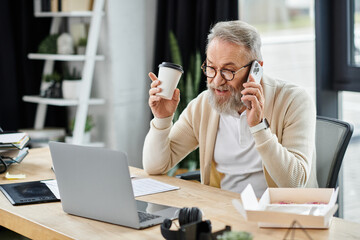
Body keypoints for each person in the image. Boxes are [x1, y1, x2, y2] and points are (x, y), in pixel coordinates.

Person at [143, 20, 318, 197]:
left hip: (279, 215)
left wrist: (258, 127)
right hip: (222, 212)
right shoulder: (204, 105)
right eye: (211, 67)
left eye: (228, 70)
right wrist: (162, 119)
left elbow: (295, 183)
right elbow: (155, 166)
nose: (217, 81)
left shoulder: (294, 101)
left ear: (256, 69)